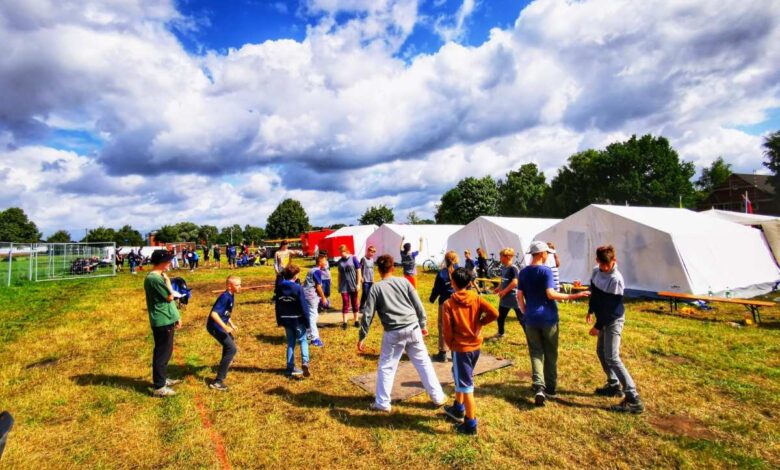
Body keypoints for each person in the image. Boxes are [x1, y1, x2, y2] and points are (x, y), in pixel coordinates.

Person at [358, 254, 446, 412]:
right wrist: (423, 323)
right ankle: (438, 397)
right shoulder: (404, 282)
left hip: (393, 332)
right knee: (424, 363)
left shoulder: (376, 288)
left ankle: (382, 403)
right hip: (413, 328)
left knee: (386, 366)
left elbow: (368, 314)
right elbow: (418, 305)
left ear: (378, 269)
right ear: (393, 267)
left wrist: (362, 336)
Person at [517, 241, 590, 407]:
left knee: (535, 352)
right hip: (548, 318)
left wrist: (525, 312)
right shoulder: (546, 271)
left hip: (531, 318)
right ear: (542, 254)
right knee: (551, 353)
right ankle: (550, 388)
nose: (548, 255)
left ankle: (538, 386)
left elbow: (519, 296)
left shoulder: (523, 272)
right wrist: (574, 296)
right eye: (547, 253)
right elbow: (550, 294)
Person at [587, 245, 644, 413]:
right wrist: (590, 310)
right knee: (601, 351)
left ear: (614, 261)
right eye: (602, 264)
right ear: (597, 261)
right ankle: (613, 385)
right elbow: (595, 294)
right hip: (602, 317)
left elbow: (611, 308)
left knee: (612, 357)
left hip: (613, 319)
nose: (605, 267)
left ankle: (633, 398)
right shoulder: (596, 272)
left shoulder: (616, 279)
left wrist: (598, 326)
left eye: (608, 264)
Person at [442, 267, 499, 435]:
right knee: (462, 377)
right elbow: (494, 313)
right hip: (475, 347)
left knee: (466, 386)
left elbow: (447, 331)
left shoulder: (448, 303)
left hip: (461, 349)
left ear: (452, 282)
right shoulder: (476, 298)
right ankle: (458, 408)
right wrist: (480, 323)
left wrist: (452, 345)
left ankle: (471, 424)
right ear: (468, 283)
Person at [143, 250, 182, 397]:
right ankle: (159, 387)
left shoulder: (158, 276)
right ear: (162, 262)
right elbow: (170, 297)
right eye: (169, 261)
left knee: (167, 352)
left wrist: (176, 316)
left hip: (168, 318)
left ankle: (163, 379)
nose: (170, 263)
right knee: (162, 354)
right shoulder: (154, 279)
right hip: (162, 320)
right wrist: (168, 282)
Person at [275, 264, 310, 378]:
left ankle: (290, 367)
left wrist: (279, 320)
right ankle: (305, 362)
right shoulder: (298, 288)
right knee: (303, 340)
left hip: (285, 320)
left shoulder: (279, 287)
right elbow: (303, 306)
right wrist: (307, 322)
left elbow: (277, 305)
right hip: (298, 320)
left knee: (290, 343)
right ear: (295, 276)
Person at [207, 276, 241, 391]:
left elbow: (225, 313)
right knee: (232, 349)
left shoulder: (231, 295)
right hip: (215, 327)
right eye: (237, 285)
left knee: (229, 344)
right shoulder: (224, 297)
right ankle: (217, 382)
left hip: (220, 326)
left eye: (240, 284)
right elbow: (214, 314)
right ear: (229, 286)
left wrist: (231, 324)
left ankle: (224, 365)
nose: (240, 287)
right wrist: (225, 326)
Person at [429, 250, 459, 362]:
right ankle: (456, 353)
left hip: (445, 303)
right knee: (456, 327)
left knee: (443, 327)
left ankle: (442, 353)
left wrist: (432, 298)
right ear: (456, 259)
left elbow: (437, 288)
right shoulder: (461, 271)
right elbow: (467, 286)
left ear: (445, 260)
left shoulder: (442, 273)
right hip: (458, 303)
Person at [490, 248, 522, 341]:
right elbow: (503, 280)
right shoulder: (503, 267)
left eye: (501, 256)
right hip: (504, 298)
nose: (499, 258)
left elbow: (515, 282)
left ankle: (531, 338)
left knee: (521, 319)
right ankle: (500, 333)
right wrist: (499, 288)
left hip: (513, 297)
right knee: (500, 317)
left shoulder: (513, 268)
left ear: (508, 257)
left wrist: (504, 291)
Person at [302, 254, 328, 347]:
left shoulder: (311, 270)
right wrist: (323, 298)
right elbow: (318, 286)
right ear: (320, 262)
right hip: (311, 296)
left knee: (313, 315)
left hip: (305, 294)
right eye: (325, 260)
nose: (326, 262)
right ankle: (315, 338)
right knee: (313, 316)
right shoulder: (317, 271)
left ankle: (308, 334)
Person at [337, 245, 362, 329]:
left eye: (343, 252)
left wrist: (358, 284)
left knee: (355, 303)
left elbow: (358, 271)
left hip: (353, 285)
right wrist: (339, 285)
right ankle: (345, 322)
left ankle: (356, 321)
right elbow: (339, 274)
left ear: (346, 251)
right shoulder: (340, 261)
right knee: (345, 303)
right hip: (344, 286)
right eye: (340, 252)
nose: (341, 254)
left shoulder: (353, 258)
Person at [359, 246, 377, 311]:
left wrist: (373, 278)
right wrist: (361, 277)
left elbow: (372, 270)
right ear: (368, 251)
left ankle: (368, 306)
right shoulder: (363, 259)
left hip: (370, 279)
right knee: (365, 293)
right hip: (365, 279)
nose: (372, 253)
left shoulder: (372, 260)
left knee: (370, 293)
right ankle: (361, 307)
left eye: (373, 252)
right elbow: (359, 268)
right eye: (371, 251)